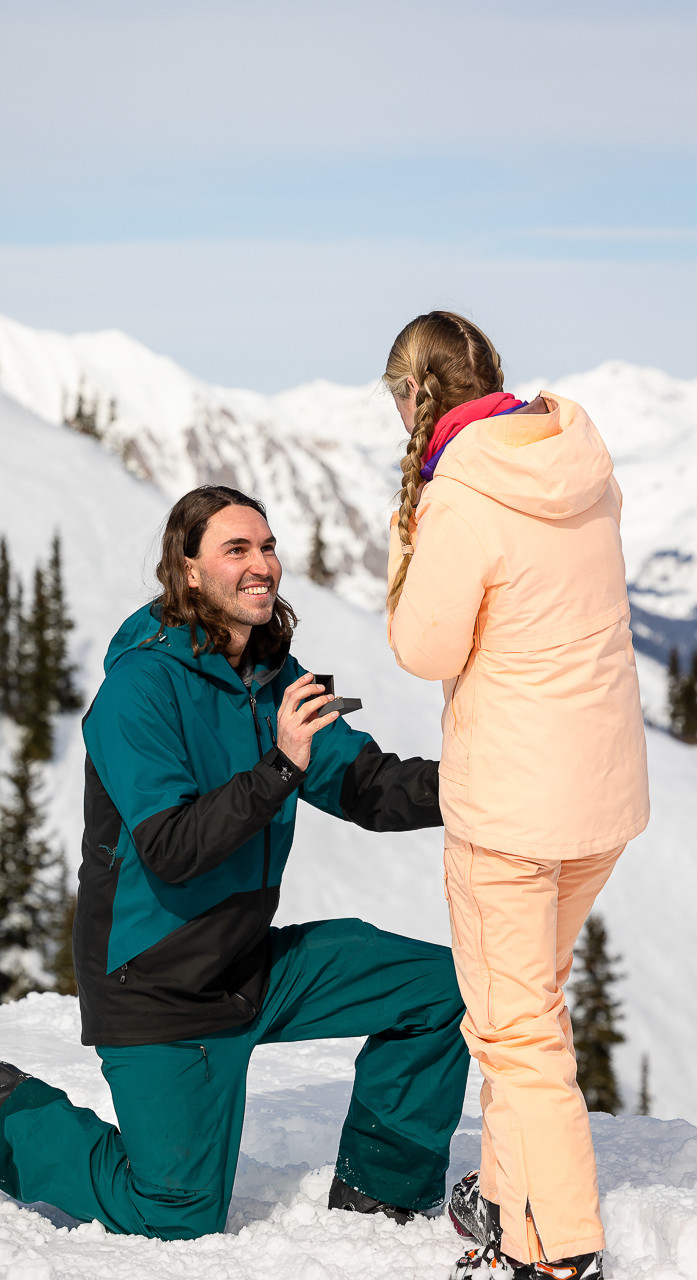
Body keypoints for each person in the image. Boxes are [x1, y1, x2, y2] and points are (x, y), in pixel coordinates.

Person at [0, 484, 469, 1239]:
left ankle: (380, 1192)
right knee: (176, 1214)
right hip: (156, 983)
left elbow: (365, 787)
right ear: (188, 570)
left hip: (248, 964)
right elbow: (174, 849)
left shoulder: (272, 676)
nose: (263, 565)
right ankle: (6, 1113)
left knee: (439, 989)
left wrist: (479, 783)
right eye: (237, 549)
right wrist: (280, 766)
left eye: (268, 546)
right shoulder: (139, 690)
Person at [383, 312, 649, 1280]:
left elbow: (423, 645)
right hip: (598, 798)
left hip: (509, 807)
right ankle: (506, 1197)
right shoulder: (577, 459)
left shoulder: (463, 493)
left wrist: (406, 520)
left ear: (414, 397)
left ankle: (551, 1246)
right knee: (523, 1005)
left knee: (511, 1024)